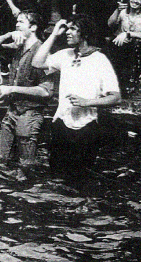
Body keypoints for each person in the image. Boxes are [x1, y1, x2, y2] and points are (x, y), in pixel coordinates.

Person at [32, 15, 121, 181]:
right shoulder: (65, 54)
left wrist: (87, 102)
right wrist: (54, 35)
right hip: (61, 123)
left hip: (86, 129)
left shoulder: (99, 60)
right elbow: (37, 63)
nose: (68, 32)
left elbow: (115, 97)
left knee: (79, 181)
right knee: (56, 178)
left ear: (85, 33)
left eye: (73, 29)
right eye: (68, 28)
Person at [0, 11, 53, 182]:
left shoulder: (42, 51)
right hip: (12, 112)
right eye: (16, 22)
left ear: (33, 27)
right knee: (2, 162)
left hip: (30, 114)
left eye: (21, 22)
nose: (16, 25)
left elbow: (46, 91)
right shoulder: (18, 46)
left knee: (25, 168)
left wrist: (11, 89)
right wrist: (8, 34)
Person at [108, 0, 141, 95]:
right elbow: (110, 24)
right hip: (123, 45)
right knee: (112, 45)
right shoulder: (124, 12)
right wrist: (117, 10)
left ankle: (132, 87)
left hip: (139, 45)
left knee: (135, 47)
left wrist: (127, 34)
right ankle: (117, 87)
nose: (135, 1)